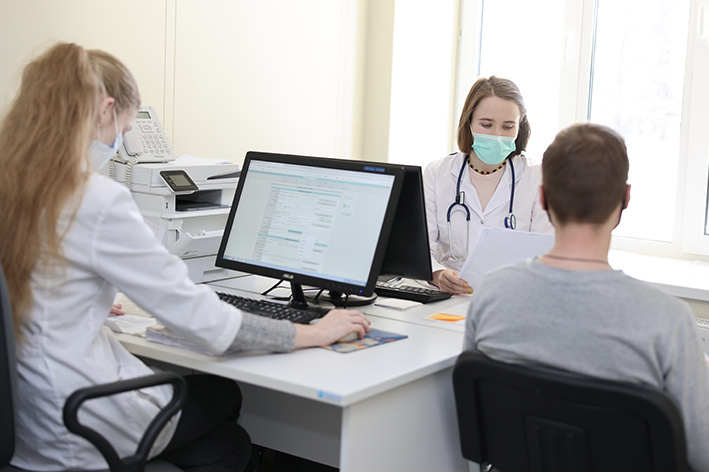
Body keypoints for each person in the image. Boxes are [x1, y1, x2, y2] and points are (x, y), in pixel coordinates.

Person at [0, 42, 370, 472]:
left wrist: (81, 304)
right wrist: (312, 333)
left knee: (224, 440)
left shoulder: (13, 185)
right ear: (105, 110)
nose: (118, 142)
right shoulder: (95, 199)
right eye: (122, 129)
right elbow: (204, 322)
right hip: (78, 423)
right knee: (225, 400)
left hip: (29, 421)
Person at [464, 123, 709, 470]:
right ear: (625, 199)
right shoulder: (667, 320)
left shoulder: (490, 295)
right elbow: (701, 454)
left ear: (543, 198)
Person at [423, 76, 552, 295]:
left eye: (508, 126)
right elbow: (423, 247)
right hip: (450, 297)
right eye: (486, 125)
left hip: (511, 297)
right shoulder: (437, 174)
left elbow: (544, 252)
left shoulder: (536, 177)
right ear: (469, 122)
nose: (497, 136)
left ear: (520, 127)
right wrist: (438, 274)